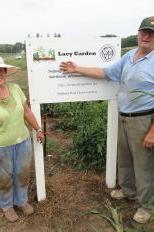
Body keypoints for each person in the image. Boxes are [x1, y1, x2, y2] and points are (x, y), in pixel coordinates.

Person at [60, 16, 154, 224]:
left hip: (144, 120)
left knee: (144, 164)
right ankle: (129, 192)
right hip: (124, 117)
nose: (146, 36)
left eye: (151, 33)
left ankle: (146, 206)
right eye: (144, 31)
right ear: (138, 33)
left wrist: (152, 131)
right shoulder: (130, 55)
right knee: (125, 159)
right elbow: (105, 72)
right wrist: (76, 69)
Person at [0, 57, 44, 222]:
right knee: (3, 178)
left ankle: (21, 201)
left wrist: (38, 129)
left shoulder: (16, 88)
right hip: (1, 146)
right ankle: (7, 206)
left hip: (23, 142)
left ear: (5, 72)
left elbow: (26, 112)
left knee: (22, 173)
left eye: (2, 70)